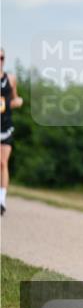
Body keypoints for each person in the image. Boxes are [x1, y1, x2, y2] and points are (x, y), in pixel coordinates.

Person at [0, 48, 24, 216]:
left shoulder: (11, 79)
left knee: (2, 163)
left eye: (2, 57)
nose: (0, 60)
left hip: (5, 127)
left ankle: (1, 200)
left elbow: (17, 98)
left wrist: (17, 102)